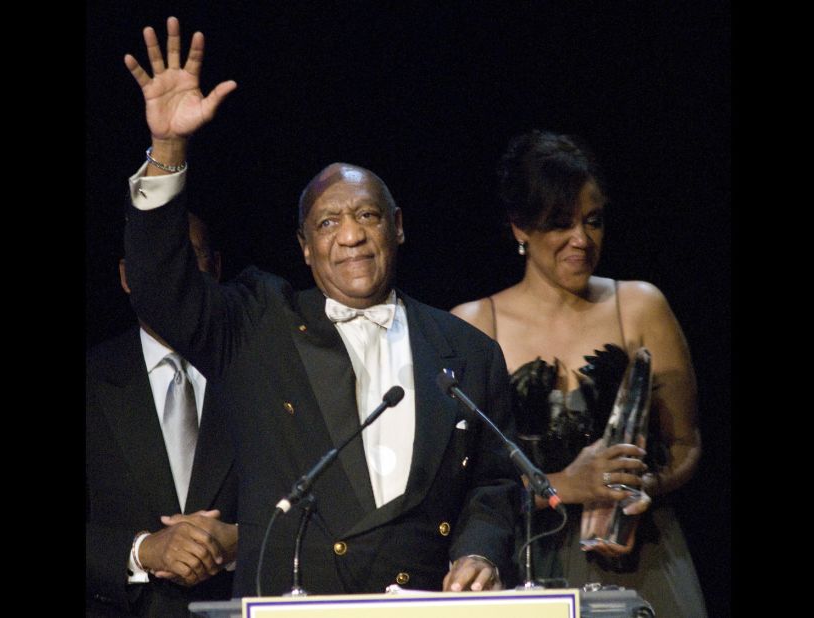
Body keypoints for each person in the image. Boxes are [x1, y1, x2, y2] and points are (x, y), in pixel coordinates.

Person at [119, 17, 521, 597]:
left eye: (367, 216)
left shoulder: (468, 350)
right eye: (328, 222)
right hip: (297, 602)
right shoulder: (259, 321)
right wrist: (168, 148)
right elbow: (160, 288)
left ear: (398, 228)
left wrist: (480, 548)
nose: (351, 236)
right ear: (306, 249)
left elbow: (493, 483)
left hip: (429, 605)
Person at [451, 130, 708, 615]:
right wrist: (565, 484)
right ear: (519, 228)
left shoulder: (640, 305)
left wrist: (641, 488)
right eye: (559, 224)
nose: (581, 240)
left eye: (593, 221)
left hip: (640, 557)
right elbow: (461, 478)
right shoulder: (475, 323)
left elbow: (685, 444)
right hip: (528, 562)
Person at [86, 212, 240, 617]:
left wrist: (239, 542)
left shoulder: (255, 374)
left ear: (216, 268)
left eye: (187, 255)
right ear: (125, 276)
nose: (173, 273)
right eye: (157, 257)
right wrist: (142, 551)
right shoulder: (92, 379)